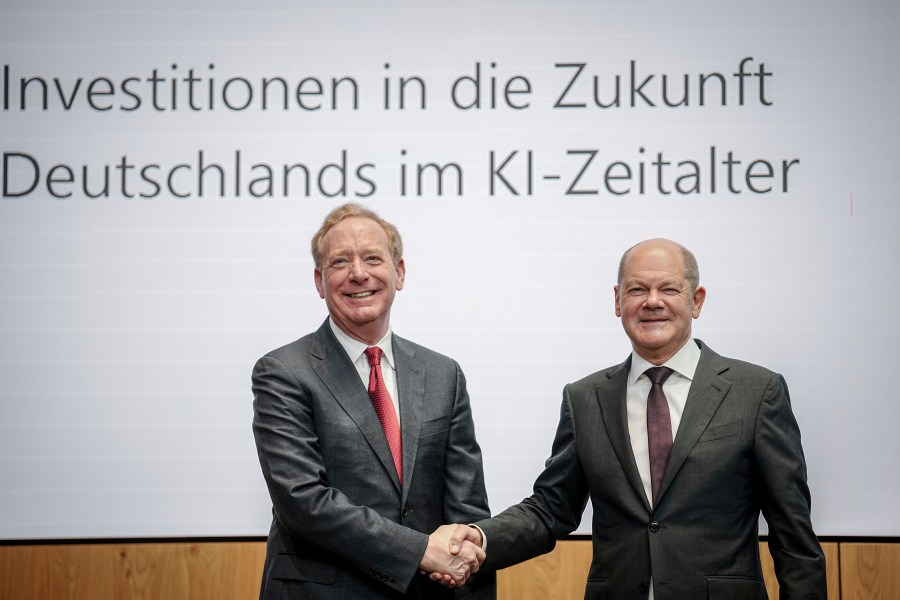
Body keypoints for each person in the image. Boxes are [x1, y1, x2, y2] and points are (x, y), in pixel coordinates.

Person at [441, 238, 826, 599]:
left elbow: (793, 534)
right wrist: (478, 538)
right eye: (637, 289)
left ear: (697, 300)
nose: (652, 302)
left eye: (669, 289)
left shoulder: (757, 392)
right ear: (617, 300)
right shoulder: (585, 398)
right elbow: (551, 508)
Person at [252, 203, 495, 599]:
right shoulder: (282, 371)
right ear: (319, 281)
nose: (358, 273)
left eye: (372, 258)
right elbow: (303, 501)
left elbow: (467, 506)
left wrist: (462, 556)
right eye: (340, 262)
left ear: (398, 273)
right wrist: (419, 551)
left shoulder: (443, 374)